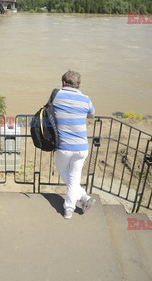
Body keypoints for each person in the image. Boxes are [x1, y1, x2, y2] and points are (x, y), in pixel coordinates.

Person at [53, 70, 96, 219]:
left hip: (64, 146)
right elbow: (91, 115)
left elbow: (48, 111)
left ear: (63, 82)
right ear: (78, 85)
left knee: (63, 171)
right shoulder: (86, 99)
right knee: (74, 177)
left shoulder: (56, 95)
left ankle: (69, 209)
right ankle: (83, 198)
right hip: (82, 147)